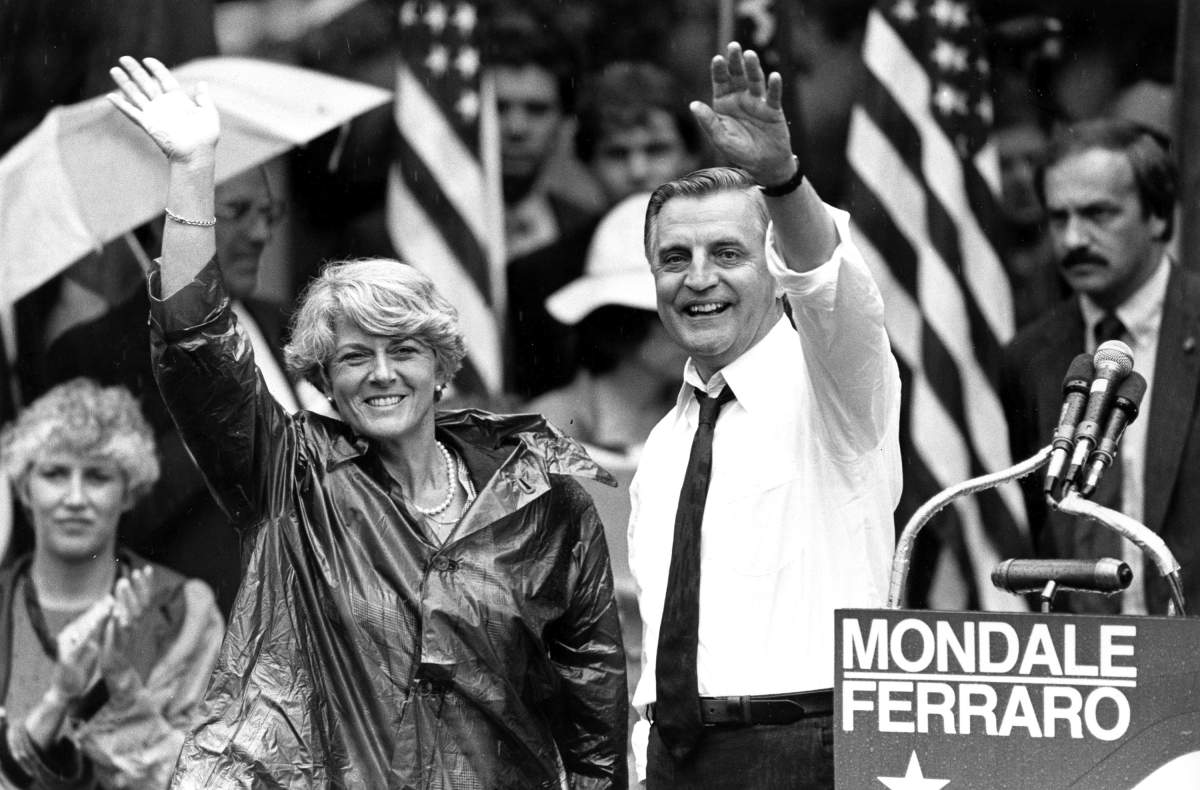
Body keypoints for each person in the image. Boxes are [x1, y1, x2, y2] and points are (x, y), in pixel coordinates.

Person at [107, 56, 628, 788]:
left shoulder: (543, 500)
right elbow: (194, 343)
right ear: (324, 380)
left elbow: (594, 708)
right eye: (355, 357)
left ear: (443, 366)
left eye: (404, 350)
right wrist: (193, 169)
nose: (382, 374)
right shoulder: (292, 480)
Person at [627, 42, 902, 788]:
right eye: (674, 258)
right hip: (672, 759)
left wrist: (782, 180)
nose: (699, 279)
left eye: (727, 252)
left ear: (772, 266)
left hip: (807, 749)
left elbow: (828, 283)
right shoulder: (667, 437)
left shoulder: (836, 384)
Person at [39, 164, 331, 615]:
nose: (260, 233)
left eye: (270, 212)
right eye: (236, 211)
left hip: (321, 614)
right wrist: (218, 432)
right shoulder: (96, 351)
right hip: (193, 632)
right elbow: (94, 521)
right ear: (168, 223)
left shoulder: (289, 326)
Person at [1000, 117, 1198, 616]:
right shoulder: (1031, 357)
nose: (1072, 240)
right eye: (1058, 218)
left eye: (1098, 214)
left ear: (1157, 216)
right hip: (1084, 671)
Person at [0, 377, 224, 789]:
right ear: (24, 488)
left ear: (130, 491)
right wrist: (61, 697)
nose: (74, 498)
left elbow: (201, 778)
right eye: (54, 473)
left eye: (98, 477)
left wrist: (118, 687)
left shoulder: (183, 611)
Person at [508, 60, 704, 399]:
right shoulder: (538, 276)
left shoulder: (739, 252)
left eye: (656, 149)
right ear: (588, 163)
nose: (638, 170)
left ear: (690, 155)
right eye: (617, 154)